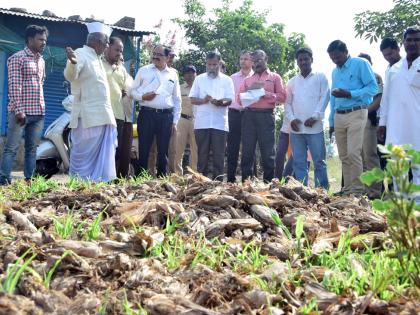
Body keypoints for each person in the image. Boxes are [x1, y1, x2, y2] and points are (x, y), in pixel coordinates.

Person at [64, 22, 117, 182]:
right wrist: (72, 63)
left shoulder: (98, 58)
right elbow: (70, 76)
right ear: (97, 42)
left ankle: (94, 189)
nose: (107, 46)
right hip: (87, 118)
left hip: (102, 117)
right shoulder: (80, 54)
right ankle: (78, 188)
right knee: (82, 157)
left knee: (97, 161)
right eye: (106, 43)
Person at [328, 40, 378, 196]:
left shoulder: (360, 63)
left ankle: (357, 191)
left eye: (337, 56)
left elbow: (373, 88)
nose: (335, 60)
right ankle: (348, 189)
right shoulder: (335, 71)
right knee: (343, 155)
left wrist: (350, 93)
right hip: (339, 115)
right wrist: (331, 121)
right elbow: (333, 98)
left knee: (353, 153)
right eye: (332, 58)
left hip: (357, 111)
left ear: (345, 51)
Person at [0, 25, 48, 185]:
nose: (44, 42)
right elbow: (14, 85)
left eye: (45, 39)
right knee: (11, 148)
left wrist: (42, 109)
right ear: (30, 39)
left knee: (32, 149)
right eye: (40, 39)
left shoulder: (42, 60)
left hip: (38, 113)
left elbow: (40, 83)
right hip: (20, 113)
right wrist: (19, 110)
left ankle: (29, 180)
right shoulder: (17, 58)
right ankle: (4, 180)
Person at [378, 26, 420, 191]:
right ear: (403, 43)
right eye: (409, 40)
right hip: (395, 127)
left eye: (417, 40)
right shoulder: (393, 69)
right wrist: (382, 123)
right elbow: (386, 98)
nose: (413, 43)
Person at [131, 45, 181, 177]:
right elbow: (132, 91)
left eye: (159, 54)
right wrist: (142, 97)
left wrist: (174, 122)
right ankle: (140, 179)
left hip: (166, 117)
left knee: (163, 150)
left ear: (167, 57)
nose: (155, 56)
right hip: (147, 114)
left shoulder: (173, 74)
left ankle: (162, 179)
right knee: (144, 149)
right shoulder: (144, 70)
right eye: (154, 53)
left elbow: (177, 100)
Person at [285, 47, 330, 189]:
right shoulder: (292, 82)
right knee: (299, 162)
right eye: (300, 60)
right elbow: (287, 103)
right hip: (297, 130)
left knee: (319, 162)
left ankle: (321, 191)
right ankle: (301, 190)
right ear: (297, 62)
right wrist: (291, 119)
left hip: (315, 128)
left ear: (312, 60)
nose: (303, 62)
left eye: (306, 59)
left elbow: (325, 97)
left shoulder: (320, 77)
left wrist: (315, 117)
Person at [239, 49, 287, 182]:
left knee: (268, 153)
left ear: (266, 59)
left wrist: (265, 93)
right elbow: (239, 99)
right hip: (249, 116)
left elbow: (283, 97)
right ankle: (246, 184)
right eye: (254, 61)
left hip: (266, 116)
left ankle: (268, 185)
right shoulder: (248, 80)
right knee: (247, 152)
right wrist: (249, 96)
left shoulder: (275, 77)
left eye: (260, 60)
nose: (256, 63)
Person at [189, 51, 234, 181]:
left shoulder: (227, 80)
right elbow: (192, 99)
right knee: (202, 155)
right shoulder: (199, 79)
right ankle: (200, 183)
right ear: (206, 64)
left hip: (220, 123)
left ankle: (218, 186)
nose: (212, 67)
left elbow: (230, 100)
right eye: (209, 64)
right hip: (202, 123)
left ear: (220, 63)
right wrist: (204, 100)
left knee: (219, 156)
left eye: (215, 64)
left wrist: (220, 103)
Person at [103, 36, 134, 178]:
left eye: (121, 51)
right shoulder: (98, 64)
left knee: (117, 149)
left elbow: (125, 90)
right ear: (107, 47)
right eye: (117, 50)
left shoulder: (122, 71)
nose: (120, 54)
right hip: (103, 115)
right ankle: (101, 177)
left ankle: (114, 178)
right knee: (104, 150)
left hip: (120, 115)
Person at [358, 53, 383, 198]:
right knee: (358, 158)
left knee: (370, 156)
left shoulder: (376, 76)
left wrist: (363, 112)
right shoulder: (356, 79)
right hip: (355, 121)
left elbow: (378, 100)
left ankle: (374, 192)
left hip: (369, 120)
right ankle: (363, 191)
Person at [227, 50, 253, 183]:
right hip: (234, 114)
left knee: (249, 147)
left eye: (246, 59)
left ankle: (247, 180)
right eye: (241, 58)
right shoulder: (232, 78)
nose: (243, 61)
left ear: (252, 61)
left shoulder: (256, 78)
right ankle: (230, 179)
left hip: (250, 115)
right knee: (232, 147)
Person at [173, 65, 198, 174]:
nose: (190, 75)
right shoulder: (179, 88)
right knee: (178, 148)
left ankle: (194, 174)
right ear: (184, 75)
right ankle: (177, 175)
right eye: (187, 72)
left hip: (196, 121)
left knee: (195, 149)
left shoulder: (199, 87)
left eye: (192, 72)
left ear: (195, 74)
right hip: (182, 120)